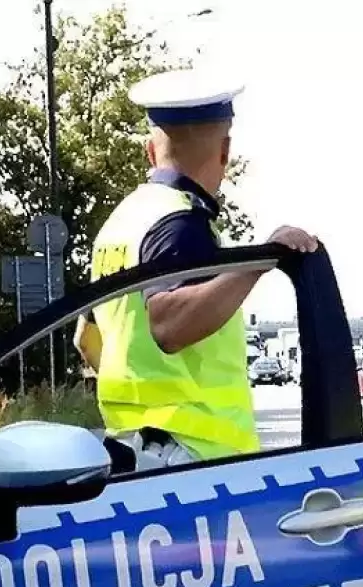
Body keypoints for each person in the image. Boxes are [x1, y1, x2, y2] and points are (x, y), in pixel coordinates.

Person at [73, 68, 319, 468]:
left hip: (135, 451)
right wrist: (257, 263)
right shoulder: (181, 223)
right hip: (194, 461)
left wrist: (143, 409)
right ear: (225, 151)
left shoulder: (120, 223)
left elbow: (86, 340)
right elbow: (170, 325)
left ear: (150, 152)